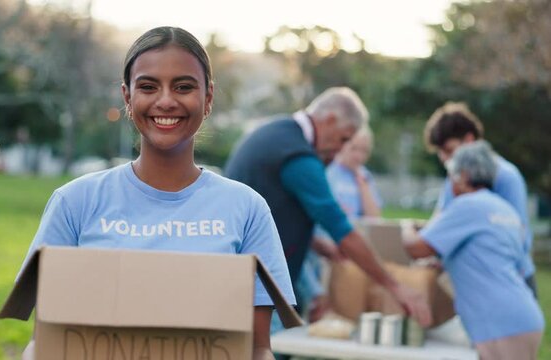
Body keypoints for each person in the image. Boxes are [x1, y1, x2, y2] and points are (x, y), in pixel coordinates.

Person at [16, 26, 295, 360]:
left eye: (184, 87)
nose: (166, 100)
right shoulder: (75, 202)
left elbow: (257, 350)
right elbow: (48, 342)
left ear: (207, 99)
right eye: (148, 86)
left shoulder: (248, 209)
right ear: (127, 97)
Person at [224, 87, 431, 329]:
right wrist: (395, 286)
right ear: (330, 120)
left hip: (241, 277)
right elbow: (340, 228)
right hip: (256, 289)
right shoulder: (297, 156)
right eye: (344, 138)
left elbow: (269, 211)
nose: (341, 149)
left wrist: (317, 244)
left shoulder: (277, 132)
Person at [402, 141, 544, 360]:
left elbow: (417, 248)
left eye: (451, 175)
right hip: (522, 317)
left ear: (463, 175)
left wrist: (406, 228)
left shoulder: (467, 205)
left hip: (501, 322)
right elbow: (491, 258)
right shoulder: (503, 209)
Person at [424, 102, 537, 297]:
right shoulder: (455, 179)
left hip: (512, 281)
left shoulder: (506, 176)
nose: (444, 158)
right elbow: (441, 223)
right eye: (440, 153)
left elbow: (520, 236)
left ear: (469, 140)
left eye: (449, 150)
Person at [297, 126, 384, 322]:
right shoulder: (327, 172)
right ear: (342, 145)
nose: (358, 156)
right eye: (354, 148)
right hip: (321, 247)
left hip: (348, 249)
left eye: (364, 151)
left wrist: (362, 184)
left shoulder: (365, 177)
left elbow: (374, 217)